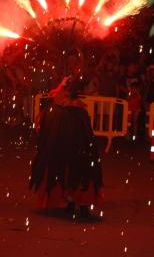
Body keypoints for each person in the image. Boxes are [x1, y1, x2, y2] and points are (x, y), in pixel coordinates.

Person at [30, 62, 103, 220]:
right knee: (76, 171)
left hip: (62, 147)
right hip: (73, 147)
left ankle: (71, 202)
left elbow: (43, 126)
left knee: (65, 171)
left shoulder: (58, 105)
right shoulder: (75, 109)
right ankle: (77, 203)